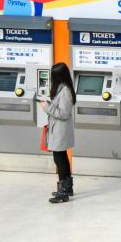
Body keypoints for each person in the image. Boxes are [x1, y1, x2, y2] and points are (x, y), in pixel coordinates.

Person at [40, 63, 76, 203]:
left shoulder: (65, 91)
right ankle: (67, 188)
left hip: (60, 130)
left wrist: (47, 107)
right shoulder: (62, 89)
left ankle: (63, 192)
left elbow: (64, 113)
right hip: (58, 128)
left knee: (59, 160)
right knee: (62, 158)